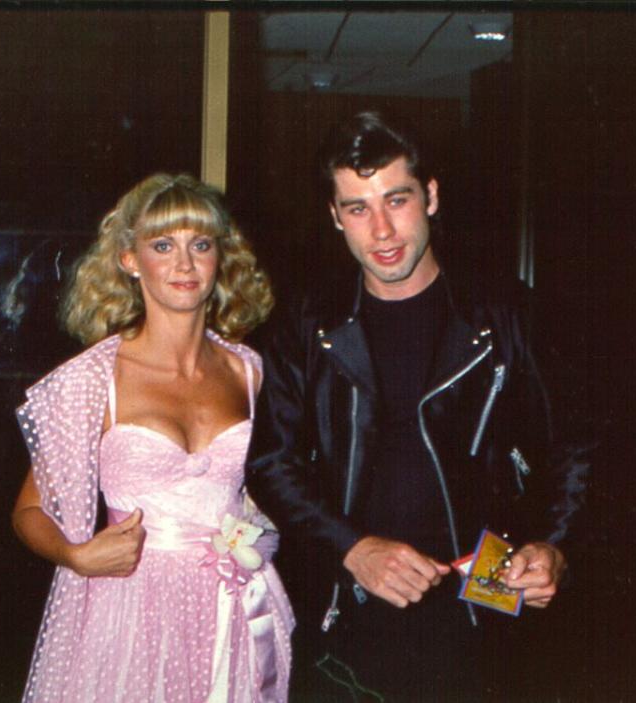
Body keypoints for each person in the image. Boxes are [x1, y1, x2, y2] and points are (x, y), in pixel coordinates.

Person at [245, 112, 588, 701]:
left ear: (430, 196)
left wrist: (552, 543)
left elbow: (573, 445)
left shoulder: (505, 316)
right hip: (347, 610)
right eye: (357, 208)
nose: (381, 230)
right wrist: (351, 546)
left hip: (482, 607)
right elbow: (271, 463)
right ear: (335, 217)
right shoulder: (305, 327)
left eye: (396, 200)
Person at [12, 173, 294, 702]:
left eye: (200, 245)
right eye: (163, 245)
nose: (184, 264)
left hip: (232, 609)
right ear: (130, 259)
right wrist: (76, 555)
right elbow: (29, 511)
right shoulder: (94, 379)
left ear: (220, 258)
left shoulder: (250, 372)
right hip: (128, 609)